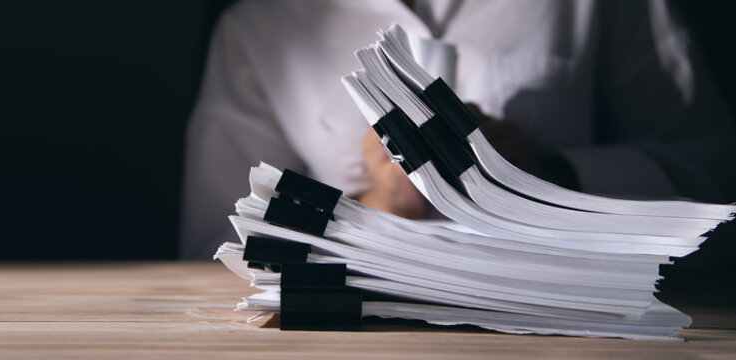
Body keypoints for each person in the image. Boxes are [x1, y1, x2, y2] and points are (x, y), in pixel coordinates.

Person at [180, 0, 736, 259]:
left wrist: (546, 175)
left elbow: (713, 171)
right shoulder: (259, 25)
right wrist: (375, 207)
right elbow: (215, 242)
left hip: (568, 320)